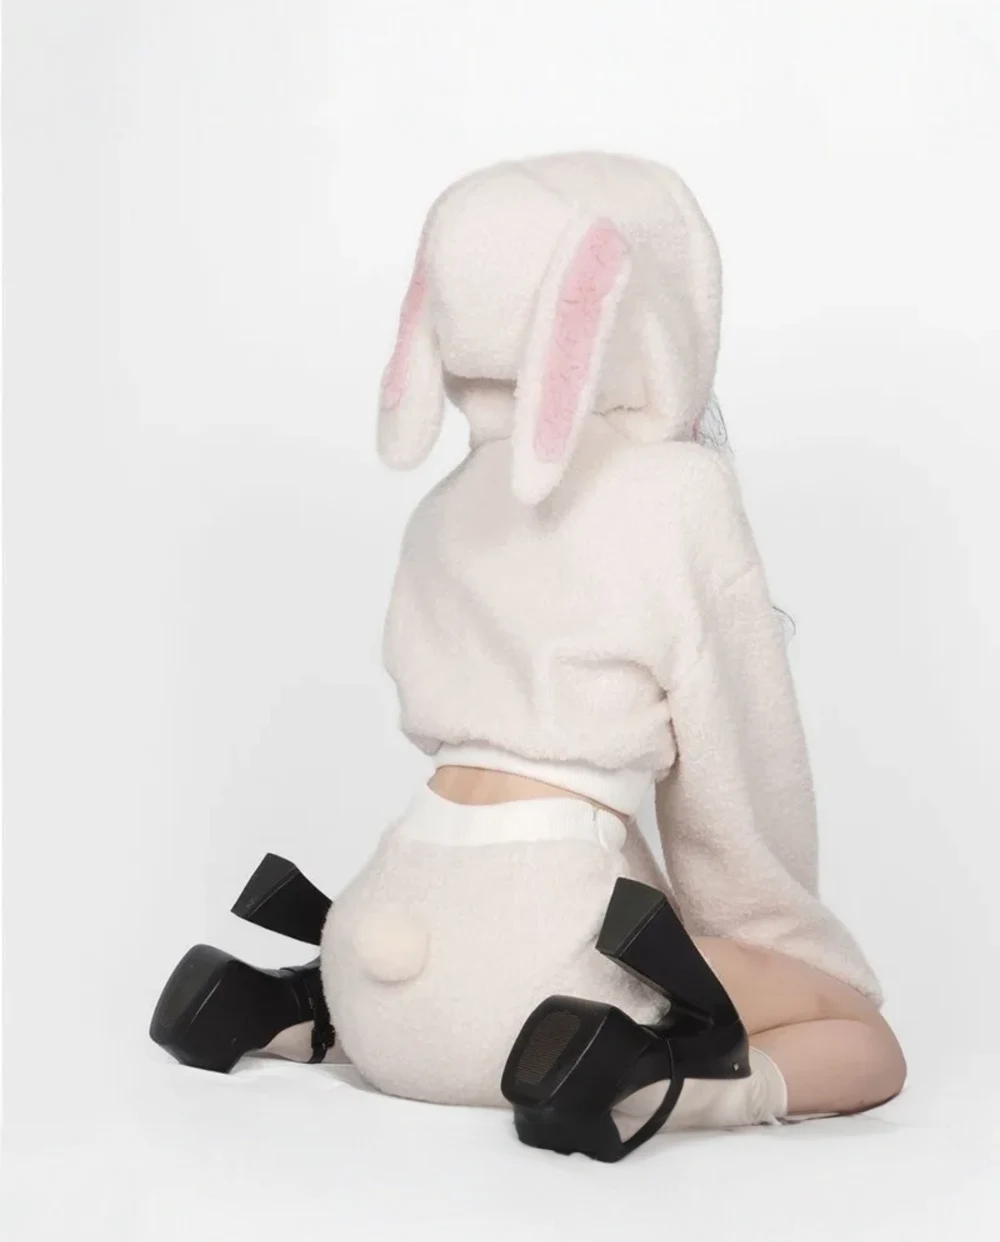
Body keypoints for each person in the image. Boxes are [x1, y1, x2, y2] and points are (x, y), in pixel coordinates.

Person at [151, 154, 905, 1144]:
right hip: (541, 988)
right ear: (645, 308)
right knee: (859, 1030)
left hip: (382, 941)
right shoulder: (676, 494)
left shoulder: (443, 509)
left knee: (404, 975)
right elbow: (737, 774)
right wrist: (778, 942)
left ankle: (307, 1008)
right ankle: (661, 1085)